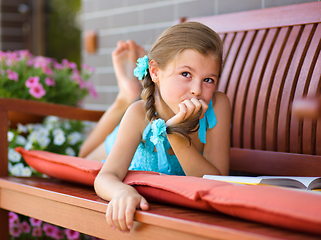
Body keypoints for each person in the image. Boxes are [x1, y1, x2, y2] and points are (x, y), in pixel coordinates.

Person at [94, 21, 231, 233]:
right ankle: (125, 97)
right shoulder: (138, 114)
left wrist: (176, 133)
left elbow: (216, 182)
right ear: (155, 72)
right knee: (82, 154)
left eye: (208, 79)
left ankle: (126, 95)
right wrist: (121, 192)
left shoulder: (218, 105)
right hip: (120, 141)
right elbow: (105, 176)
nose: (196, 90)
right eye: (186, 74)